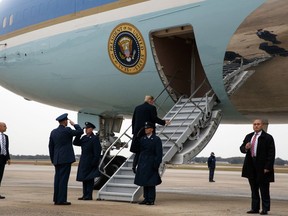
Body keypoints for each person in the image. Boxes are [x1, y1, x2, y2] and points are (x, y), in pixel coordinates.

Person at [240, 119, 275, 215]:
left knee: (264, 189)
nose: (256, 126)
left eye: (258, 124)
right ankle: (255, 208)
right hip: (251, 165)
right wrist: (245, 148)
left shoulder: (267, 137)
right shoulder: (249, 136)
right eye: (254, 124)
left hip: (262, 166)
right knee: (254, 189)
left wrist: (268, 167)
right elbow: (242, 149)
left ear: (262, 125)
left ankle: (265, 209)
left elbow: (271, 154)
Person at [48, 113, 83, 205]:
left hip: (57, 159)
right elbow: (80, 132)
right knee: (63, 180)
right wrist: (74, 124)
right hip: (65, 159)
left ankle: (56, 199)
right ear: (65, 121)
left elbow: (50, 147)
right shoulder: (67, 130)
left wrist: (53, 159)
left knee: (57, 180)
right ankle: (62, 200)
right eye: (67, 121)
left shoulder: (53, 132)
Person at [130, 95, 169, 172]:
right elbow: (154, 119)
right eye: (153, 101)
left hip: (138, 133)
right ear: (151, 100)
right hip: (148, 132)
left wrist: (134, 132)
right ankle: (146, 167)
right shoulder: (152, 108)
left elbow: (133, 121)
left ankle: (134, 166)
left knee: (138, 151)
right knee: (149, 151)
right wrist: (164, 122)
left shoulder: (137, 108)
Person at [134, 122, 163, 205]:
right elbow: (139, 151)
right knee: (144, 182)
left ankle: (151, 199)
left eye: (148, 128)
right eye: (145, 128)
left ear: (152, 129)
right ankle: (146, 198)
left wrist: (156, 163)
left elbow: (159, 153)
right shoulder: (143, 139)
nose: (146, 130)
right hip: (143, 162)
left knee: (151, 182)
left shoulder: (156, 139)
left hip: (151, 162)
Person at [73, 122, 102, 201]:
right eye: (85, 128)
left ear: (91, 129)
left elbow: (97, 152)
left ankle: (89, 195)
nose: (86, 130)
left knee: (89, 179)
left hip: (90, 160)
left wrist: (94, 162)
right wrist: (79, 134)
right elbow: (75, 142)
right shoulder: (84, 138)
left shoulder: (94, 138)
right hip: (84, 160)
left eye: (87, 128)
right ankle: (84, 194)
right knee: (84, 178)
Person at [0, 122, 10, 199]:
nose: (6, 128)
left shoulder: (6, 137)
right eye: (4, 126)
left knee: (0, 176)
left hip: (2, 158)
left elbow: (6, 148)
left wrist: (8, 158)